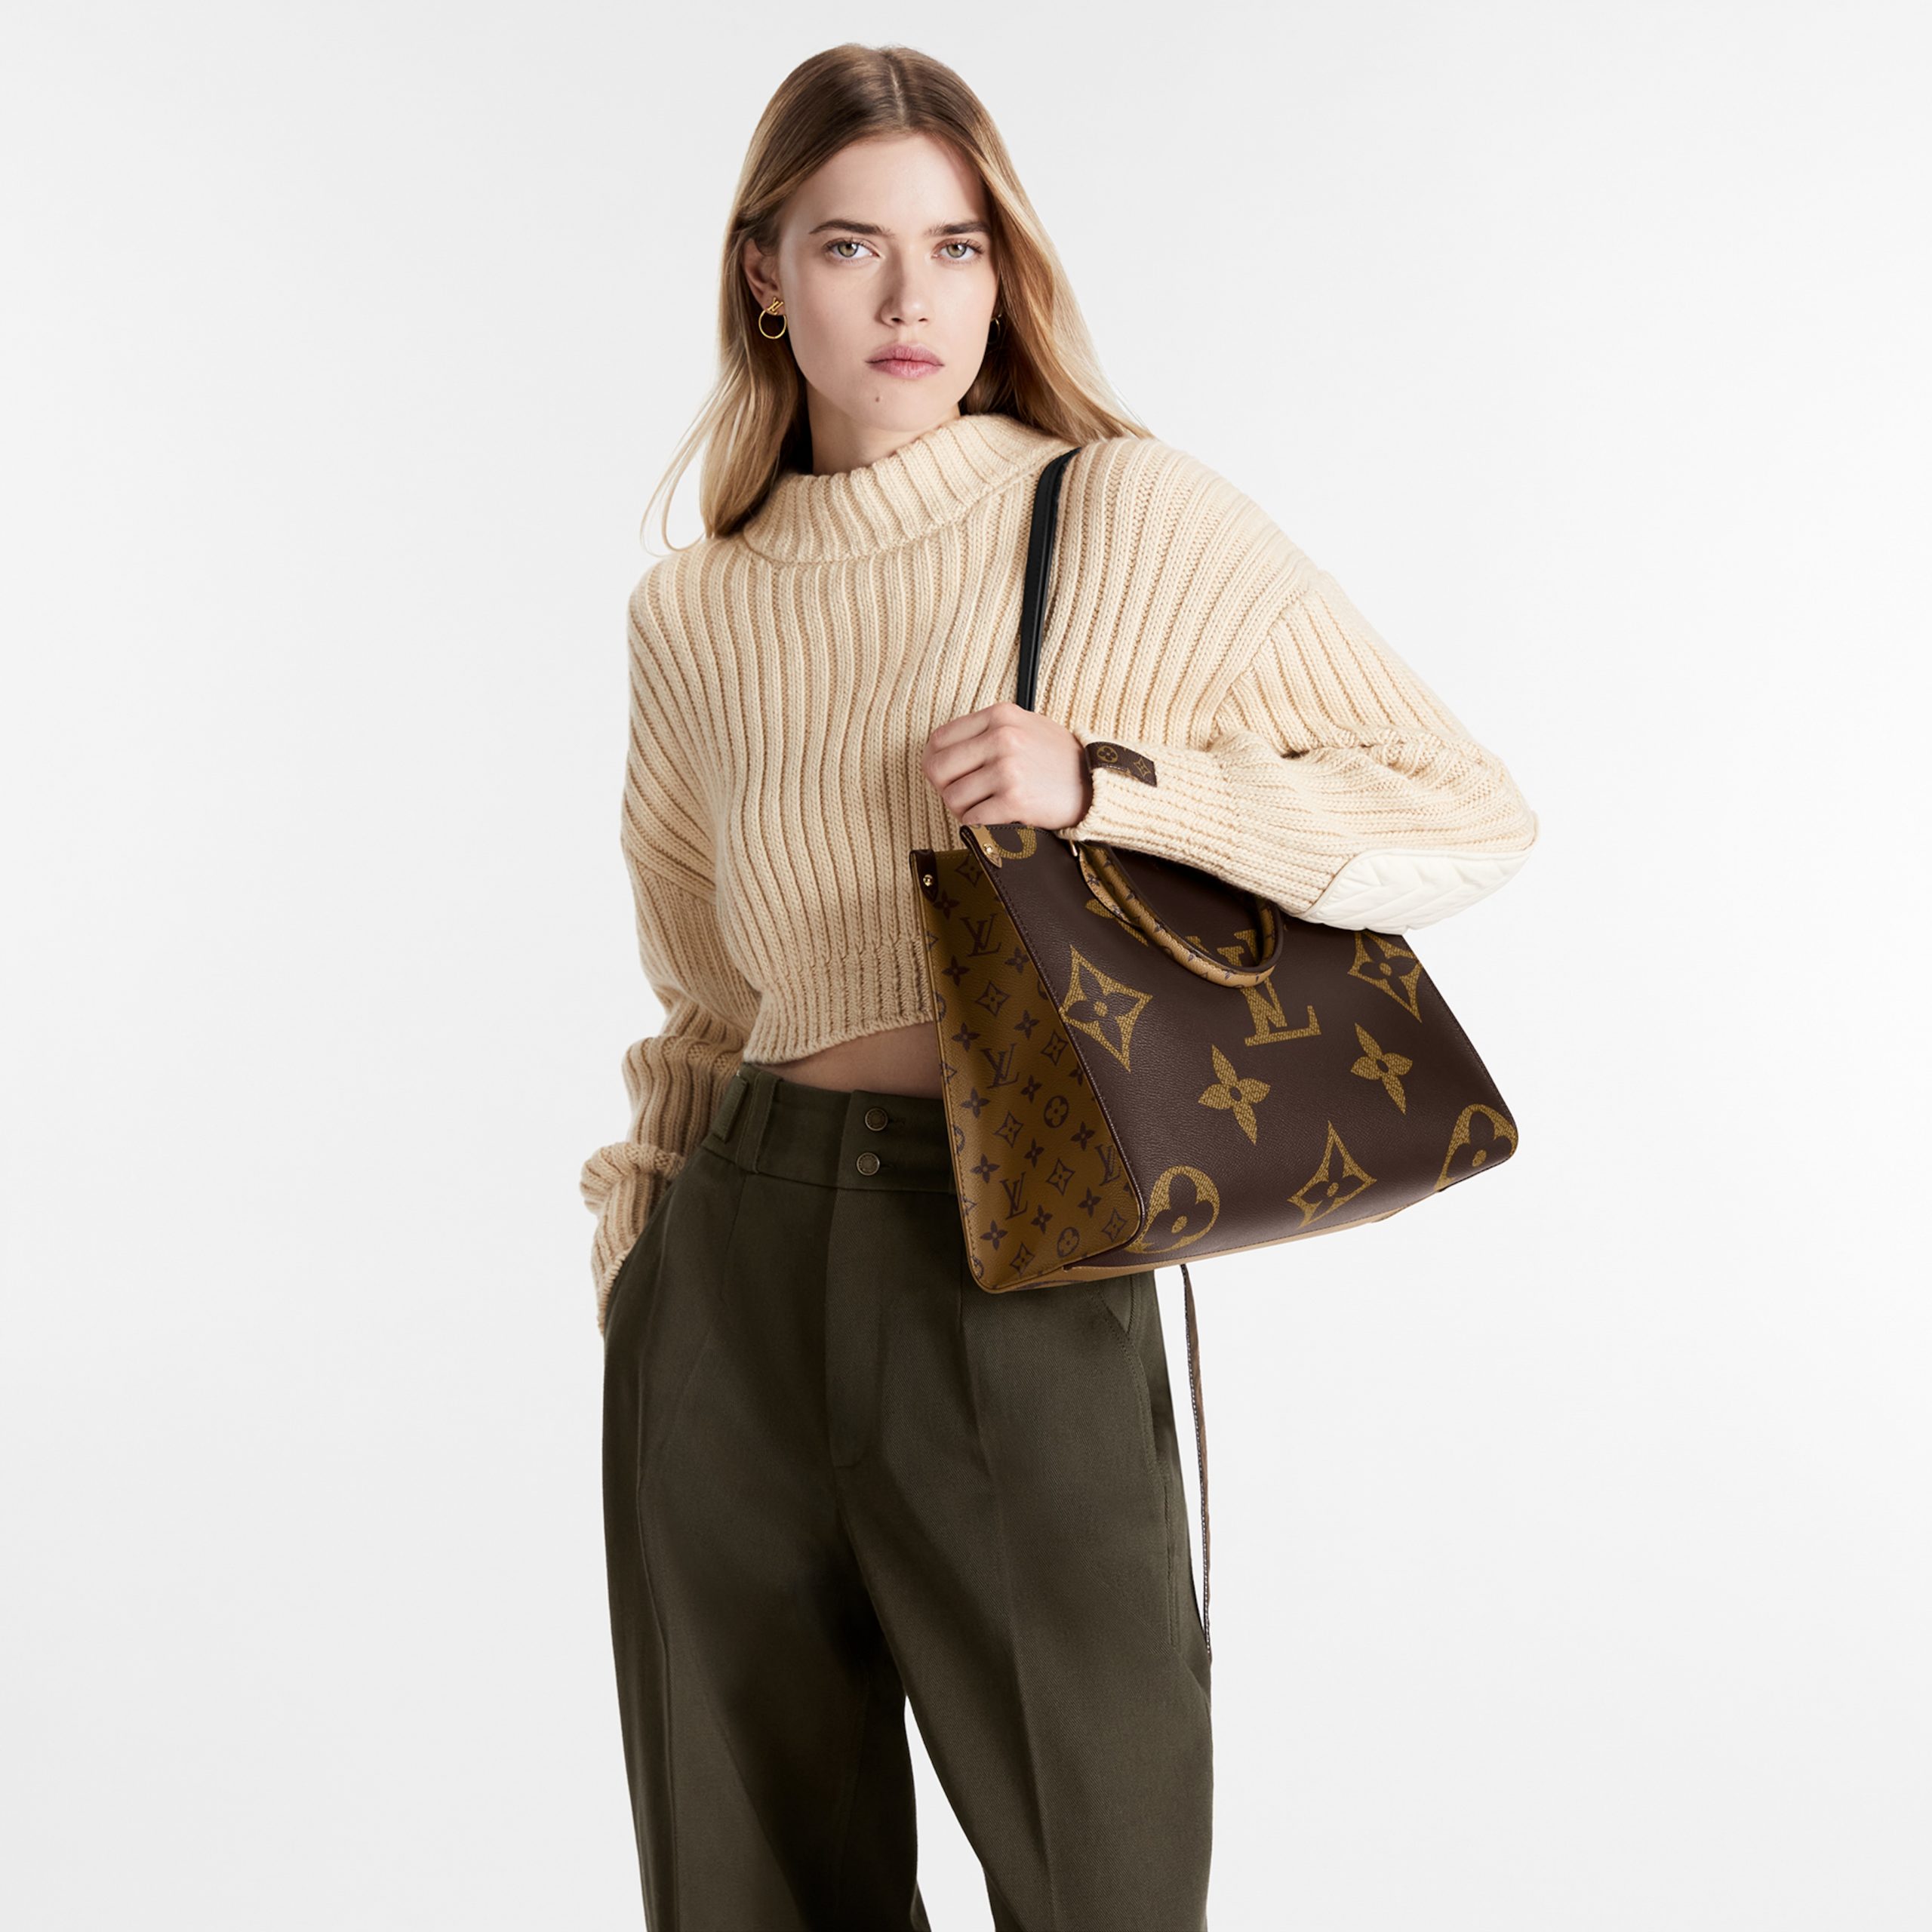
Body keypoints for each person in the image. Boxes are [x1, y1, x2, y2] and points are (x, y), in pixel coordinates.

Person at [582, 42, 1539, 1932]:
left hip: (1008, 1254)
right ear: (762, 272)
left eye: (953, 246)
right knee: (740, 1885)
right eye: (849, 246)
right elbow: (701, 989)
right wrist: (640, 1267)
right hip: (733, 1270)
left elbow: (1464, 810)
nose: (909, 297)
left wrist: (1104, 783)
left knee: (1102, 1871)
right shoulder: (691, 609)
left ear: (1002, 267)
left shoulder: (1116, 513)